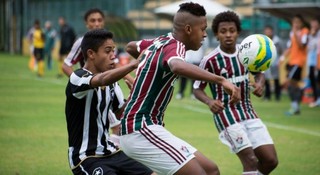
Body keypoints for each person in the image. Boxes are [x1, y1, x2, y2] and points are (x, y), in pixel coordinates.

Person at [120, 2, 240, 175]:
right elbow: (177, 66)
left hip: (148, 128)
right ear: (189, 29)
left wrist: (146, 74)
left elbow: (131, 46)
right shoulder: (176, 46)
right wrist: (221, 80)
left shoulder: (160, 41)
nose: (205, 35)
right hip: (140, 128)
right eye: (203, 29)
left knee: (211, 170)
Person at [193, 11, 278, 175]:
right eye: (223, 31)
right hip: (226, 116)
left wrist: (259, 84)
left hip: (249, 113)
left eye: (232, 30)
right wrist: (210, 102)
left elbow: (259, 71)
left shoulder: (246, 52)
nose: (228, 35)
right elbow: (197, 88)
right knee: (251, 161)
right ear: (217, 35)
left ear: (238, 32)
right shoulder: (210, 60)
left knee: (270, 161)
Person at [65, 29, 154, 175]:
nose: (113, 56)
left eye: (113, 50)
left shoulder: (112, 83)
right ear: (91, 54)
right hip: (86, 157)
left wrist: (134, 98)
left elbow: (121, 113)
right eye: (108, 51)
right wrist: (133, 65)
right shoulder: (77, 76)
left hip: (112, 152)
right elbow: (100, 80)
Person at [62, 8, 125, 145]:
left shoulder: (106, 42)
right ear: (86, 24)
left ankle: (108, 153)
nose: (96, 23)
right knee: (114, 127)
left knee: (118, 127)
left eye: (99, 20)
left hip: (108, 86)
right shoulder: (82, 42)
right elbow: (66, 65)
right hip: (91, 88)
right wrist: (77, 83)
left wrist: (134, 81)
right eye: (92, 20)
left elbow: (115, 66)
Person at [281, 14, 309, 115]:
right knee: (292, 84)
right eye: (294, 22)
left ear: (301, 23)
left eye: (297, 22)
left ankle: (296, 105)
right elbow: (289, 47)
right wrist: (282, 57)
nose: (295, 24)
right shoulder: (292, 33)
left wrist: (296, 33)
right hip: (292, 62)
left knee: (289, 82)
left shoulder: (304, 32)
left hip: (299, 62)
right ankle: (295, 106)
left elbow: (301, 46)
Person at [263, 25, 283, 101]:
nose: (268, 32)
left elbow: (281, 51)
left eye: (269, 31)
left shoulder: (277, 41)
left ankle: (277, 96)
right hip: (265, 62)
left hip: (275, 63)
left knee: (276, 79)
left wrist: (279, 60)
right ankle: (267, 96)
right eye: (266, 31)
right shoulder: (263, 41)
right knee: (266, 79)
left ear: (272, 32)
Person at [307, 18, 320, 107]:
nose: (313, 26)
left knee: (318, 80)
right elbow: (309, 47)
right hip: (311, 61)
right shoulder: (310, 35)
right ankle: (316, 99)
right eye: (312, 24)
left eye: (315, 23)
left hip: (317, 61)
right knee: (313, 80)